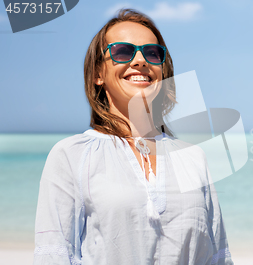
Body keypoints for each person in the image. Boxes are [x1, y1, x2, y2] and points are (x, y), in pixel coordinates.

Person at [33, 9, 233, 265]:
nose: (140, 60)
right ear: (98, 74)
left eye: (152, 53)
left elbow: (216, 258)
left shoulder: (193, 158)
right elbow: (54, 255)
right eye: (122, 51)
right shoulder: (72, 155)